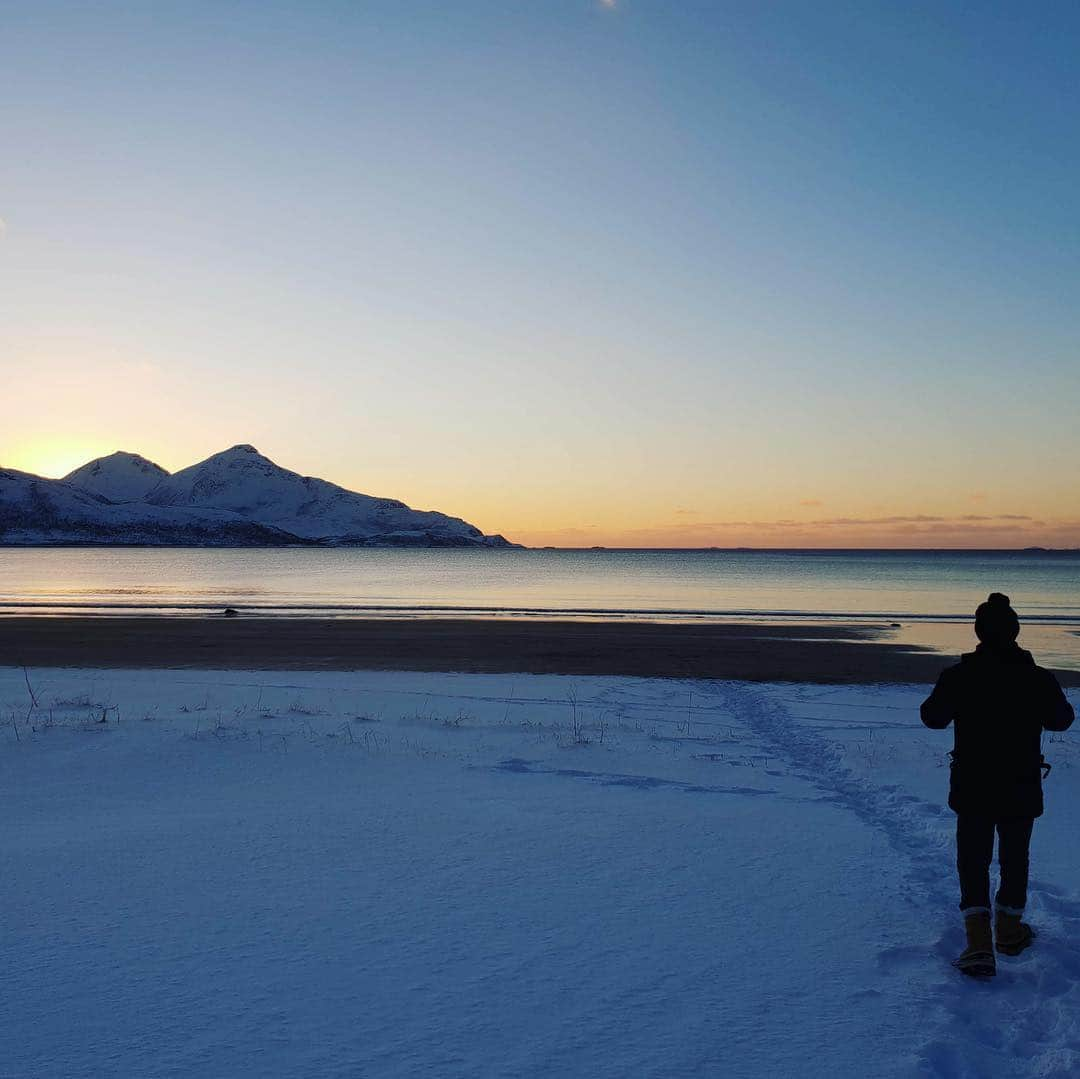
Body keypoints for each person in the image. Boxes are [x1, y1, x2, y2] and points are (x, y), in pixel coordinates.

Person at [921, 592, 1074, 977]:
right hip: (1020, 783)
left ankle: (979, 942)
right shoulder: (1037, 679)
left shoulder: (959, 676)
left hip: (973, 784)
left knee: (973, 859)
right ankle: (1007, 931)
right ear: (1015, 633)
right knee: (1014, 857)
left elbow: (933, 717)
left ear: (979, 633)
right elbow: (1061, 719)